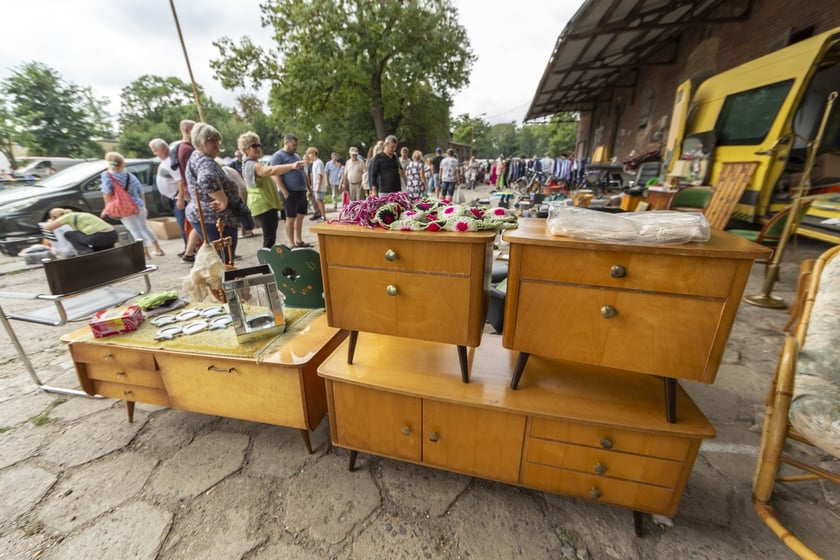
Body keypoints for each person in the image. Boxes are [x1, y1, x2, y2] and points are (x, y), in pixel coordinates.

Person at [184, 122, 243, 263]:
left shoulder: (197, 156)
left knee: (219, 259)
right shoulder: (205, 162)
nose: (218, 147)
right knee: (224, 260)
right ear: (204, 142)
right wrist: (223, 201)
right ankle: (227, 282)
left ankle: (223, 281)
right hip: (215, 217)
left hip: (206, 215)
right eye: (214, 143)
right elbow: (207, 178)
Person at [238, 131, 303, 249]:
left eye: (259, 145)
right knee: (269, 239)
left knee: (270, 237)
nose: (258, 148)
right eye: (254, 145)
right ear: (246, 149)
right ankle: (266, 265)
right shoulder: (253, 164)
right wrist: (292, 166)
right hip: (263, 204)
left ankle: (267, 263)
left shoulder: (250, 163)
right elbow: (270, 171)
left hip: (263, 203)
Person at [100, 151, 165, 259]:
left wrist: (108, 207)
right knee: (144, 227)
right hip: (138, 205)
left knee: (135, 231)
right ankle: (157, 249)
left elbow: (107, 193)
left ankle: (145, 253)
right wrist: (143, 205)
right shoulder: (129, 175)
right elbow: (141, 191)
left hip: (124, 208)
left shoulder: (107, 176)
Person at [270, 134, 312, 248]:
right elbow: (275, 174)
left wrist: (308, 188)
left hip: (301, 191)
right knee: (290, 217)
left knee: (301, 216)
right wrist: (285, 192)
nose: (295, 147)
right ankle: (292, 244)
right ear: (286, 143)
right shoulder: (278, 156)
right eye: (294, 145)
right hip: (289, 192)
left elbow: (303, 173)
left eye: (296, 145)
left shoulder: (297, 156)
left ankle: (299, 240)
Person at [148, 138, 187, 247]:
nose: (154, 153)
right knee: (182, 224)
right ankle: (188, 248)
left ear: (163, 149)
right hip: (172, 198)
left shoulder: (170, 162)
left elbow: (180, 181)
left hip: (177, 198)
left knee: (183, 224)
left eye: (155, 151)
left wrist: (180, 199)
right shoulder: (165, 161)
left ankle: (190, 249)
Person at [177, 120, 202, 262]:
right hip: (195, 193)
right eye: (195, 130)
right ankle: (190, 252)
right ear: (187, 130)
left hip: (191, 192)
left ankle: (190, 252)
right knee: (200, 223)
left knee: (197, 223)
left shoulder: (182, 148)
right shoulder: (187, 150)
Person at [43, 208, 117, 257]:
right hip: (112, 235)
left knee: (69, 234)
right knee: (101, 253)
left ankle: (85, 252)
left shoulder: (66, 217)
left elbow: (48, 228)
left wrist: (50, 222)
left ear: (55, 217)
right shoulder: (79, 214)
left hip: (98, 237)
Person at [307, 147, 327, 221]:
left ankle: (323, 216)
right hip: (315, 185)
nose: (309, 156)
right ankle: (321, 215)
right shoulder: (314, 163)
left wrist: (318, 186)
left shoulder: (318, 162)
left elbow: (320, 175)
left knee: (320, 200)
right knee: (318, 201)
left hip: (319, 186)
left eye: (309, 154)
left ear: (313, 153)